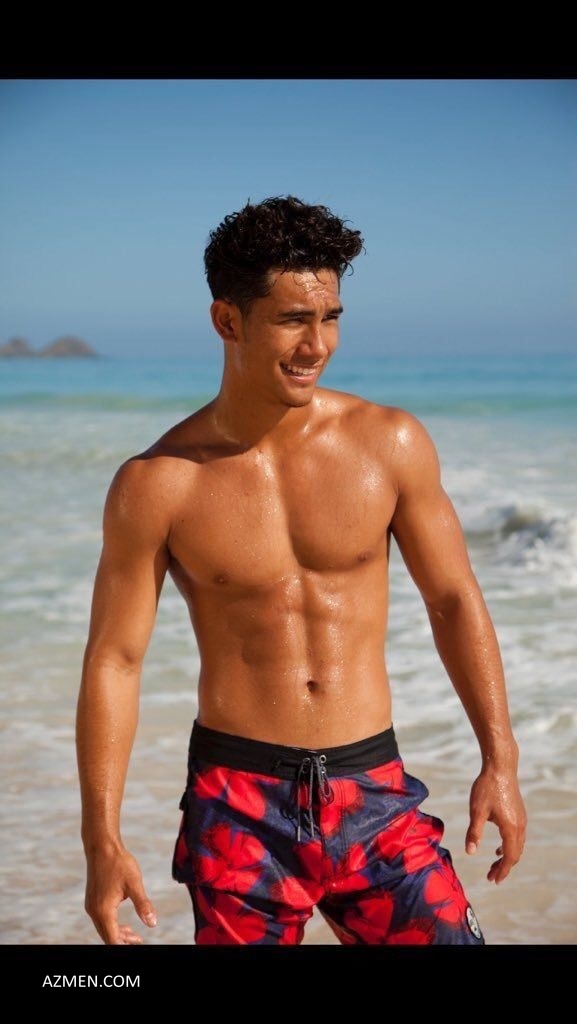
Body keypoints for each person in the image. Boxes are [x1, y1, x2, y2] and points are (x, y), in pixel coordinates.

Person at [76, 195, 527, 946]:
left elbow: (452, 599)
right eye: (292, 320)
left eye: (331, 318)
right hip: (238, 804)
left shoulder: (389, 444)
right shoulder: (158, 484)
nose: (317, 345)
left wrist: (499, 761)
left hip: (374, 794)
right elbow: (114, 661)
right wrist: (102, 839)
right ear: (227, 321)